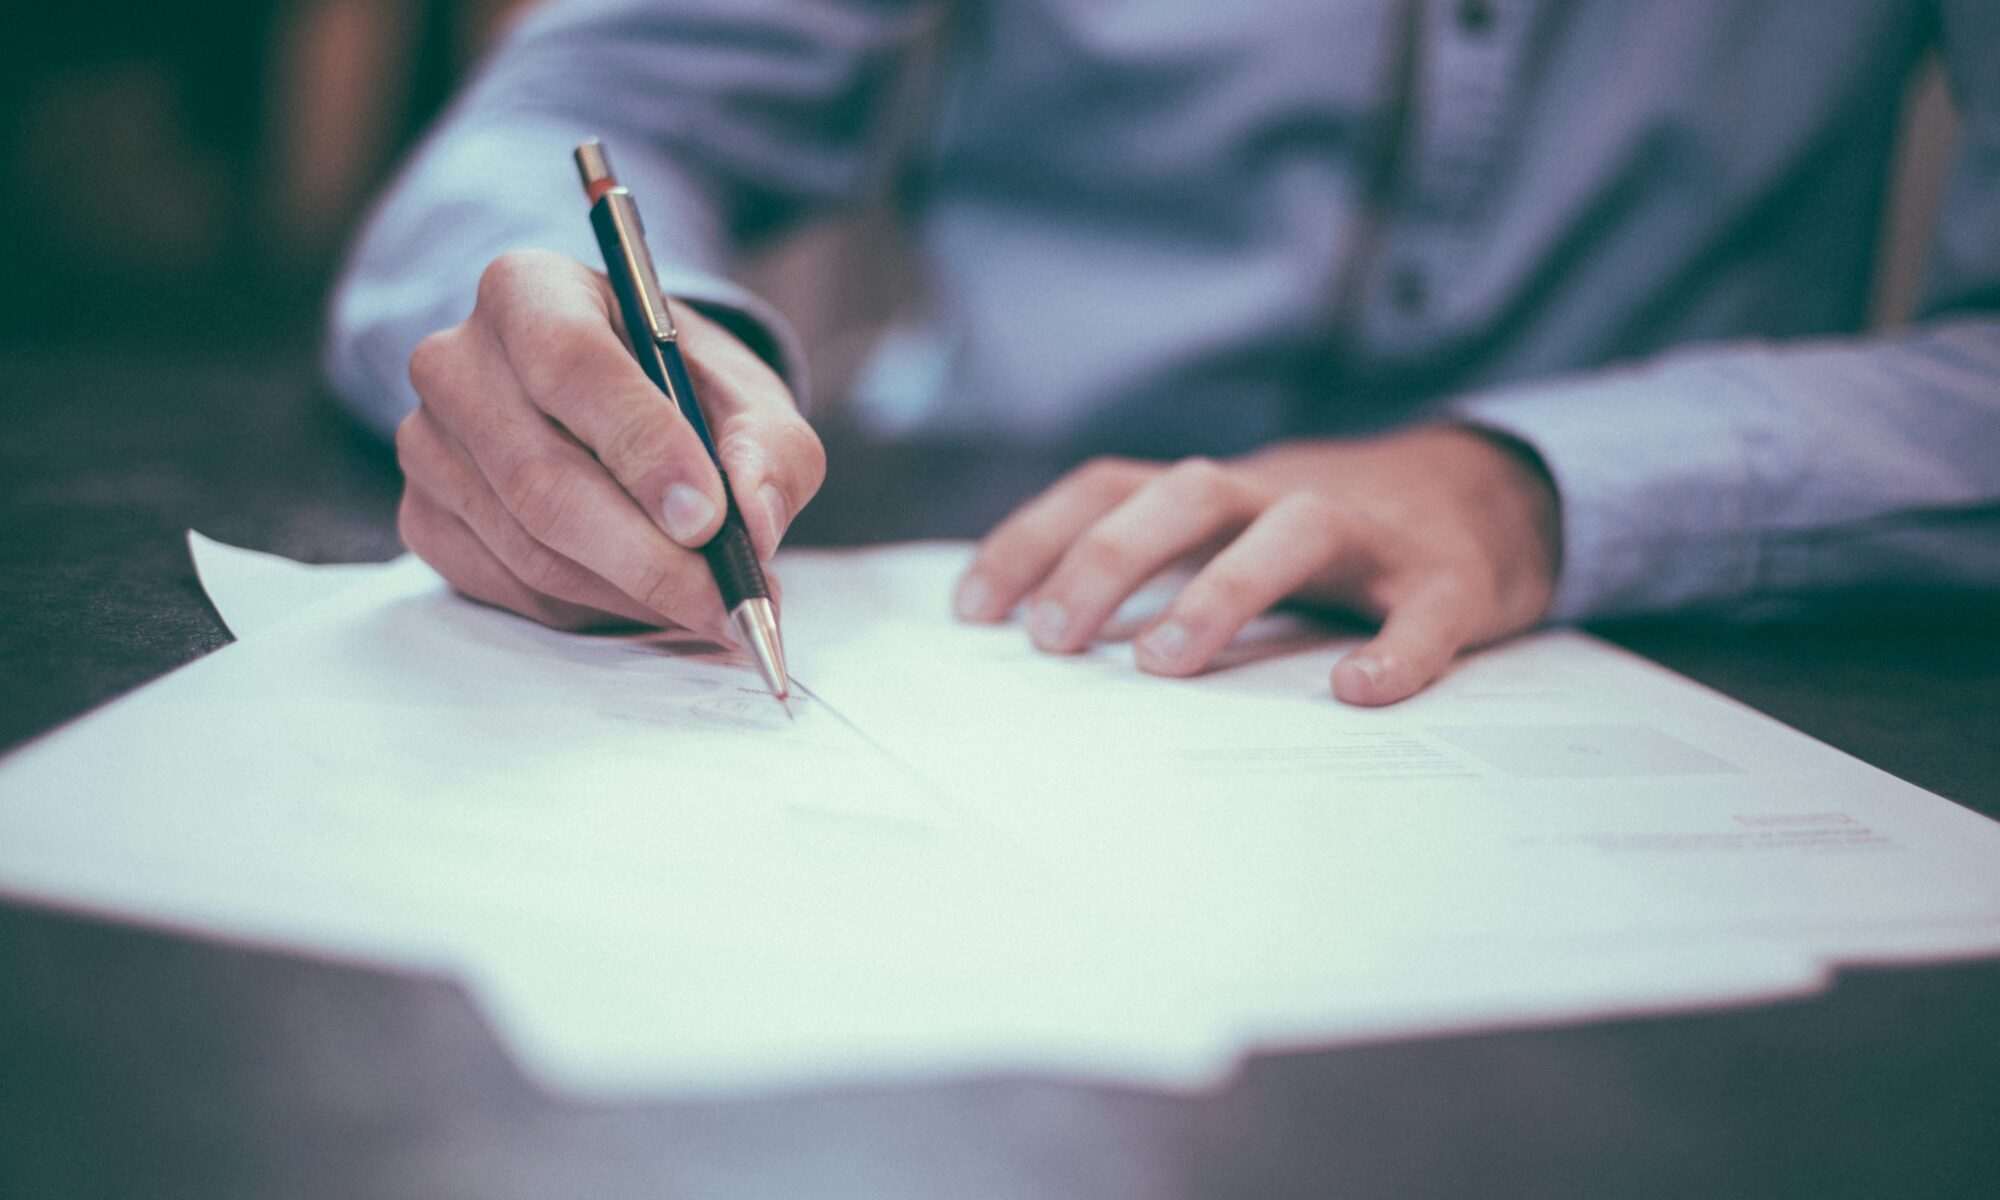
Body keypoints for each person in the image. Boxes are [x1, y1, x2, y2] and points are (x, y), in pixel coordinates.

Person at [326, 0, 2000, 706]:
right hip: (987, 588)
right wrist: (606, 367)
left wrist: (1537, 487)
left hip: (1688, 645)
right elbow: (560, 126)